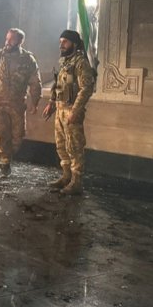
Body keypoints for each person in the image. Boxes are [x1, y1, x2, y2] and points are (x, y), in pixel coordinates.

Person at [0, 28, 41, 175]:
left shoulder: (28, 59)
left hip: (17, 104)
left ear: (20, 41)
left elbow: (35, 82)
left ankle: (5, 157)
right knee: (0, 134)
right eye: (7, 39)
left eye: (11, 39)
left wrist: (35, 102)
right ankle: (4, 163)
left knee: (18, 136)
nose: (7, 42)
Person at [42, 29, 96, 195]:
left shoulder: (80, 63)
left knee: (74, 146)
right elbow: (59, 84)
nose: (62, 45)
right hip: (60, 109)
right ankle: (66, 176)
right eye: (60, 42)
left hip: (71, 110)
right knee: (61, 145)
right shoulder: (65, 62)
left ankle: (76, 182)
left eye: (65, 42)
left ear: (73, 43)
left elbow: (86, 88)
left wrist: (75, 110)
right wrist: (52, 103)